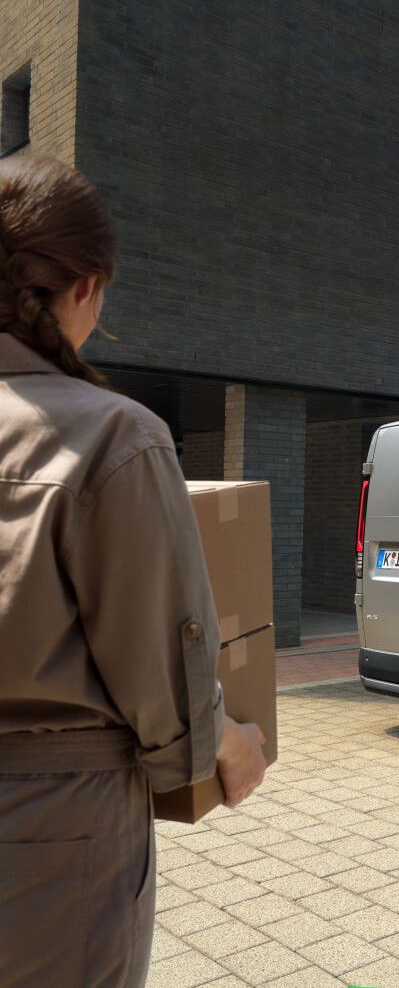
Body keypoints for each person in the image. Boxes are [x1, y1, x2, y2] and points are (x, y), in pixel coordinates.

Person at [0, 154, 267, 987]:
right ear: (86, 287)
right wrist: (226, 744)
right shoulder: (114, 437)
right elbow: (166, 667)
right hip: (51, 842)